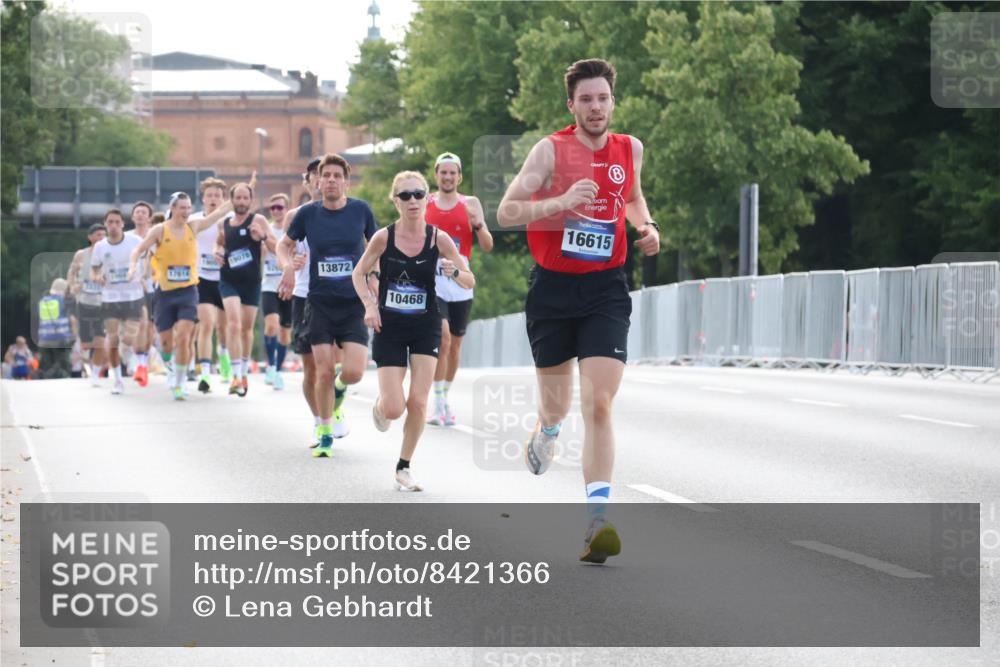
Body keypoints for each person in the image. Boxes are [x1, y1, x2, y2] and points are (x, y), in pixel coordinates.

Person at [497, 59, 661, 563]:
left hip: (606, 289)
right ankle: (546, 431)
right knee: (557, 407)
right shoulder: (550, 149)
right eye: (586, 99)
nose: (596, 107)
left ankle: (597, 522)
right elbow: (506, 212)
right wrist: (560, 201)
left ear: (613, 100)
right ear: (572, 104)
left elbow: (630, 196)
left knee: (600, 403)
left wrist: (646, 225)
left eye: (603, 98)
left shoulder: (629, 149)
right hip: (551, 291)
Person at [353, 171, 474, 491]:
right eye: (405, 195)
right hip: (390, 326)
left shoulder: (439, 239)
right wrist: (369, 304)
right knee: (395, 407)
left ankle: (403, 467)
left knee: (418, 402)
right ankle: (381, 405)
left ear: (426, 198)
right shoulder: (383, 238)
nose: (412, 201)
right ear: (396, 201)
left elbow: (470, 280)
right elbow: (358, 273)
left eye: (418, 194)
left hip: (425, 326)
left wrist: (456, 271)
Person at [278, 154, 376, 457]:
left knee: (354, 372)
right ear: (318, 182)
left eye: (337, 175)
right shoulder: (307, 214)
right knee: (320, 369)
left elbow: (378, 247)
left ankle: (339, 391)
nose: (331, 180)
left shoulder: (361, 211)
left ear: (345, 181)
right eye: (326, 176)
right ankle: (323, 432)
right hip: (318, 302)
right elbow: (284, 244)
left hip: (353, 303)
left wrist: (375, 279)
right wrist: (288, 268)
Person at [128, 189, 239, 400]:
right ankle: (170, 365)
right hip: (165, 293)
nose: (186, 212)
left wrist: (237, 196)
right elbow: (138, 250)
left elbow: (216, 215)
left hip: (189, 290)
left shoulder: (193, 227)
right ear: (172, 209)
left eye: (189, 208)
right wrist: (132, 267)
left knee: (185, 336)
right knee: (167, 344)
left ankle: (179, 383)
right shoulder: (160, 230)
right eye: (182, 208)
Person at [425, 152, 493, 426]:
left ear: (459, 176)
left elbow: (487, 245)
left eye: (453, 173)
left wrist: (478, 225)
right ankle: (437, 402)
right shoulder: (426, 202)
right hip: (433, 282)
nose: (448, 177)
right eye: (443, 172)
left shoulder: (470, 203)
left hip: (461, 281)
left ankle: (444, 397)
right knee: (442, 339)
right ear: (436, 175)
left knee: (454, 347)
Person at [278, 157, 325, 448]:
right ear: (306, 182)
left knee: (336, 364)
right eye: (316, 176)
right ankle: (321, 423)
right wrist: (289, 266)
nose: (322, 181)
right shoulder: (296, 215)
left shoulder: (350, 212)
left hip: (339, 296)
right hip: (305, 294)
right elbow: (282, 248)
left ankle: (335, 405)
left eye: (328, 174)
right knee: (310, 366)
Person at [214, 182, 277, 397]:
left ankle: (243, 373)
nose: (241, 202)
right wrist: (217, 252)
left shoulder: (258, 220)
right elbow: (219, 243)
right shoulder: (224, 223)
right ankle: (235, 374)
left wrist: (263, 236)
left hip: (251, 281)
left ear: (250, 200)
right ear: (231, 200)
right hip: (228, 279)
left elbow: (276, 248)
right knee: (233, 324)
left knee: (246, 329)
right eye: (237, 198)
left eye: (244, 198)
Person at [90, 209, 145, 395]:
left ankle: (130, 357)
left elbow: (148, 259)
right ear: (106, 225)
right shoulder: (100, 247)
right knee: (112, 339)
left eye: (116, 222)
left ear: (123, 224)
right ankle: (118, 380)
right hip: (110, 298)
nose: (113, 225)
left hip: (132, 296)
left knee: (129, 337)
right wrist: (98, 277)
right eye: (110, 222)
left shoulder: (134, 242)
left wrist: (140, 274)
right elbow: (94, 270)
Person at [193, 177, 231, 392]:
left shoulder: (232, 218)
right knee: (206, 324)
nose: (213, 199)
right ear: (203, 198)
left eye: (217, 195)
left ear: (223, 198)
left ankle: (224, 355)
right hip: (202, 278)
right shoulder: (195, 219)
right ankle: (205, 374)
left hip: (225, 278)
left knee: (223, 328)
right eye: (210, 195)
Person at [66, 223, 107, 386]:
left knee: (100, 340)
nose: (101, 238)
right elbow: (71, 272)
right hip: (84, 301)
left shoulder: (109, 254)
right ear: (90, 237)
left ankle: (95, 374)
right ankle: (85, 356)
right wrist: (72, 285)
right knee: (86, 343)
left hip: (103, 302)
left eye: (104, 235)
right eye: (97, 235)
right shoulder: (81, 255)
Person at [261, 193, 293, 390]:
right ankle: (271, 366)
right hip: (269, 286)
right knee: (271, 325)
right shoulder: (268, 231)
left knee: (285, 333)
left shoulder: (293, 232)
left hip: (289, 287)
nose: (276, 211)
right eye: (272, 208)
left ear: (287, 209)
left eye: (280, 207)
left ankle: (279, 371)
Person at [129, 201, 156, 386]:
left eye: (143, 212)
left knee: (150, 330)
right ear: (132, 217)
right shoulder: (127, 238)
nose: (140, 215)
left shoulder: (156, 235)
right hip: (133, 289)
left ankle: (144, 363)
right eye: (137, 212)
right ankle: (139, 365)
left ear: (149, 217)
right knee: (141, 324)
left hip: (153, 287)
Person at [37, 278, 75, 378]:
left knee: (47, 369)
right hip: (60, 339)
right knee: (63, 368)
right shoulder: (64, 301)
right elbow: (72, 319)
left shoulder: (42, 302)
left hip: (44, 340)